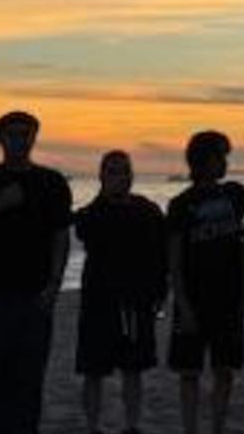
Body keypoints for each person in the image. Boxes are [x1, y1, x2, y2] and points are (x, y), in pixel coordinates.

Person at [0, 111, 74, 434]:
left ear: (35, 137)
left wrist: (54, 285)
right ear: (0, 138)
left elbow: (61, 237)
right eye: (12, 134)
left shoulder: (52, 181)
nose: (19, 140)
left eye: (25, 134)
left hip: (35, 294)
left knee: (29, 378)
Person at [73, 151, 168, 434]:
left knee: (133, 368)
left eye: (124, 171)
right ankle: (93, 426)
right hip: (99, 301)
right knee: (93, 370)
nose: (120, 177)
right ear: (101, 176)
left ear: (132, 175)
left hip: (137, 301)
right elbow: (83, 232)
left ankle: (132, 424)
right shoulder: (90, 214)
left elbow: (162, 255)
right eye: (113, 172)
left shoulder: (148, 210)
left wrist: (161, 290)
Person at [165, 131, 244, 434]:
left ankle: (217, 425)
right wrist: (183, 304)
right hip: (193, 297)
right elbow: (174, 260)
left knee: (225, 368)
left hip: (228, 298)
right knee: (189, 371)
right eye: (220, 157)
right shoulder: (181, 204)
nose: (224, 163)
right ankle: (191, 428)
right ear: (203, 161)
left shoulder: (235, 194)